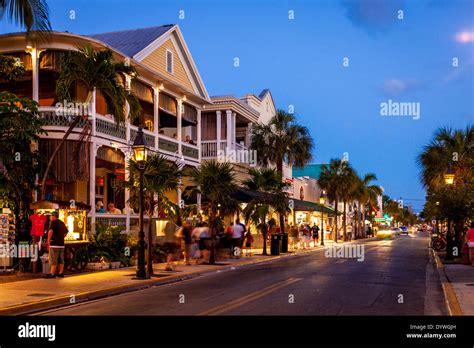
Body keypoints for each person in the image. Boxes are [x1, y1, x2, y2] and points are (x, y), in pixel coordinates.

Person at [45, 211, 68, 278]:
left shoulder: (53, 222)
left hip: (54, 244)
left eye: (51, 216)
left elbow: (50, 231)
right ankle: (61, 273)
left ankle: (52, 273)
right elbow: (66, 232)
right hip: (61, 244)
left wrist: (48, 240)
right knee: (61, 259)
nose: (50, 217)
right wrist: (61, 238)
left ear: (53, 216)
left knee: (53, 259)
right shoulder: (62, 223)